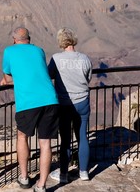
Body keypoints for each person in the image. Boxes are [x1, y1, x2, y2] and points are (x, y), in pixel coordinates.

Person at [0, 27, 59, 192]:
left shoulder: (9, 51)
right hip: (50, 99)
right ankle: (41, 186)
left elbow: (8, 77)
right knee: (45, 142)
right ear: (29, 38)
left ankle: (24, 178)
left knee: (22, 136)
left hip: (28, 101)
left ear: (14, 40)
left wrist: (6, 81)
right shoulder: (39, 50)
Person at [47, 27, 92, 183]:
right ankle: (84, 172)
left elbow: (49, 75)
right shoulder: (84, 58)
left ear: (61, 42)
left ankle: (64, 175)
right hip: (83, 102)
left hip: (64, 104)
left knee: (65, 139)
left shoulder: (56, 59)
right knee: (82, 137)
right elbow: (88, 78)